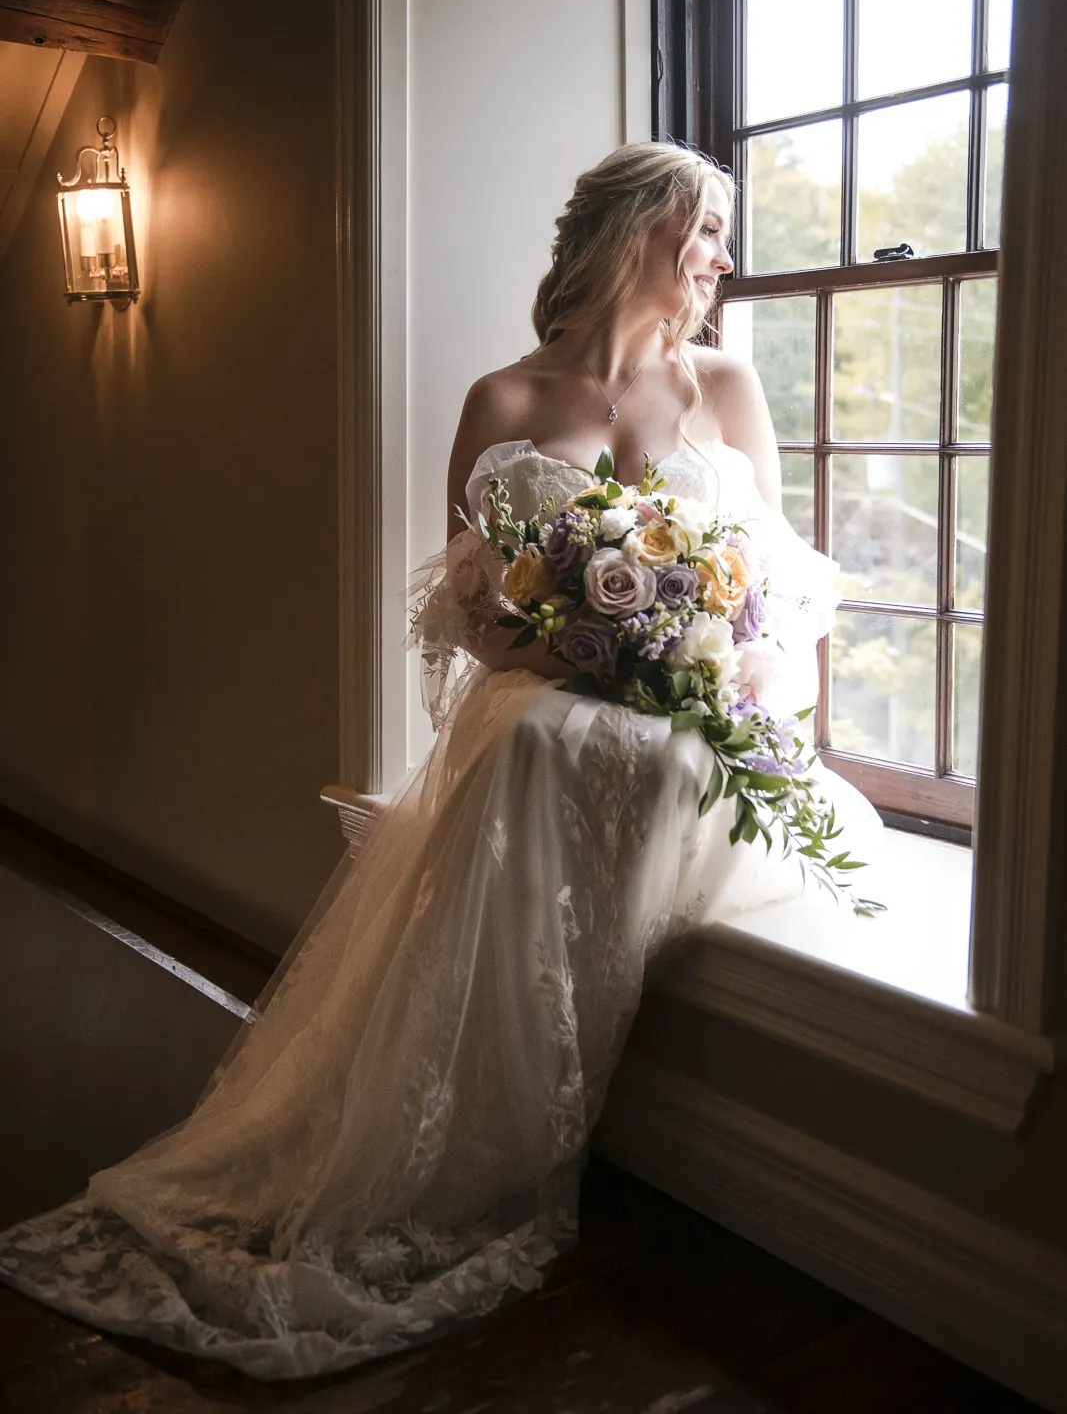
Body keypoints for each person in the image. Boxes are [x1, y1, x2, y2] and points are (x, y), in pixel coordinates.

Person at [0, 142, 884, 1381]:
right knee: (534, 732)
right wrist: (595, 643)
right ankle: (470, 1147)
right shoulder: (503, 401)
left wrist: (703, 667)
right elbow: (472, 615)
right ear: (629, 233)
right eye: (701, 230)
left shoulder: (726, 386)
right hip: (553, 705)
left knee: (570, 741)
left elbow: (776, 598)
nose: (721, 259)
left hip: (700, 722)